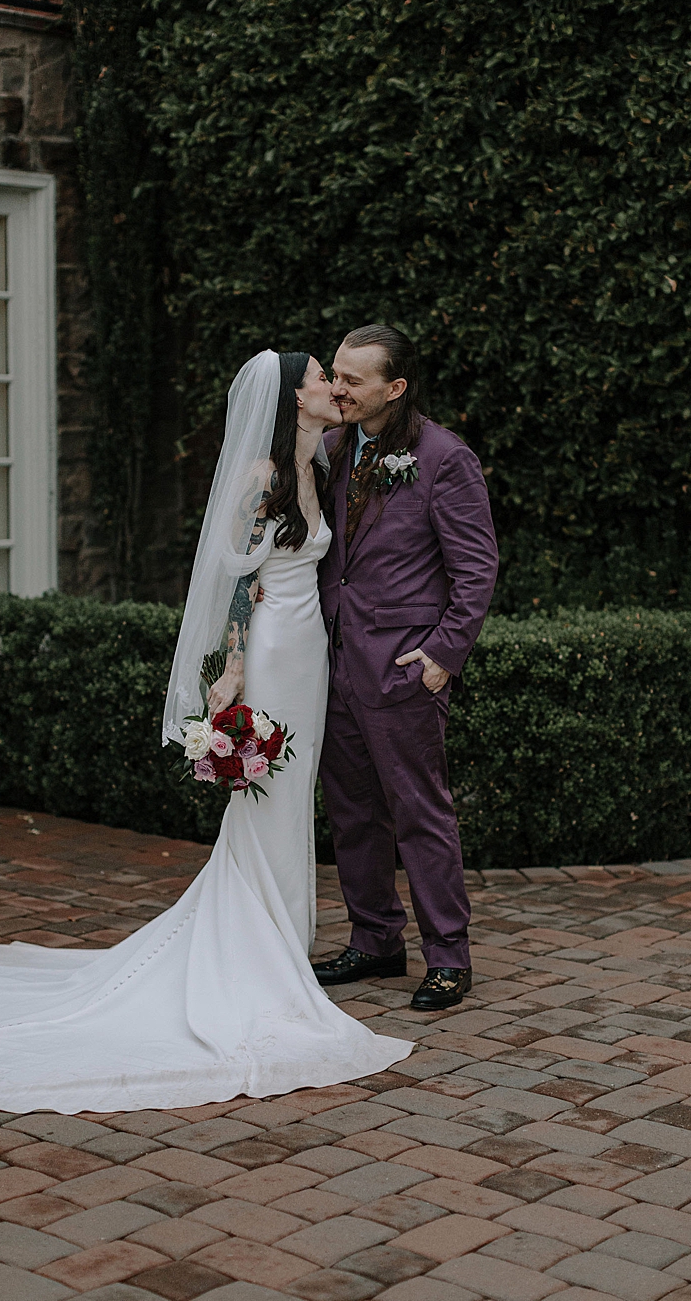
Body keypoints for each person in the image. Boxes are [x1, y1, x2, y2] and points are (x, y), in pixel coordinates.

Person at [0, 351, 412, 1112]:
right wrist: (235, 665)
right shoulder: (260, 479)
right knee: (266, 796)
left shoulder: (320, 461)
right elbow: (233, 579)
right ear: (293, 396)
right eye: (321, 376)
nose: (332, 386)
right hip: (277, 653)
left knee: (293, 797)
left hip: (312, 649)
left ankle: (277, 942)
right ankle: (264, 957)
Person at [308, 325, 499, 1012]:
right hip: (333, 662)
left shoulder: (444, 457)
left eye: (352, 379)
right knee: (353, 812)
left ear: (395, 388)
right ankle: (375, 938)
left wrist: (443, 657)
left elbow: (476, 568)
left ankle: (448, 956)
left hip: (402, 668)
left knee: (421, 814)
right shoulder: (327, 449)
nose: (337, 388)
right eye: (334, 373)